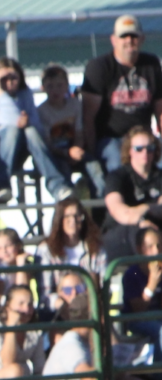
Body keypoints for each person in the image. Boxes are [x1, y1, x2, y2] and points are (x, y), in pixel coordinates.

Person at [0, 57, 73, 205]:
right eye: (3, 79)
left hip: (15, 154)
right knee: (12, 130)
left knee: (30, 131)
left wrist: (27, 122)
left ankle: (57, 186)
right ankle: (0, 187)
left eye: (14, 78)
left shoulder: (25, 95)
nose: (9, 82)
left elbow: (37, 126)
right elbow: (10, 121)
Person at [82, 15, 162, 177]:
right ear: (113, 40)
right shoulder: (99, 67)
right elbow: (88, 117)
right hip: (110, 138)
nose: (129, 40)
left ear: (142, 39)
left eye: (134, 36)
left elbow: (160, 110)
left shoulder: (151, 64)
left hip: (143, 138)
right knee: (117, 166)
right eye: (124, 36)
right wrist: (91, 152)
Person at [38, 64, 104, 197]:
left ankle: (101, 200)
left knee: (95, 168)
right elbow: (47, 142)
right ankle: (69, 201)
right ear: (43, 88)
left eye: (59, 85)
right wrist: (66, 153)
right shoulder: (41, 111)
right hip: (57, 154)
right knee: (63, 171)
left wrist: (77, 148)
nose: (55, 90)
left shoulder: (75, 105)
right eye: (50, 86)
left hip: (75, 149)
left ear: (67, 86)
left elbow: (80, 131)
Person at [101, 126, 162, 260]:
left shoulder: (159, 176)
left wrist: (144, 208)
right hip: (122, 234)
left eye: (150, 148)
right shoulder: (117, 177)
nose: (145, 153)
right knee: (141, 233)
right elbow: (118, 210)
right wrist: (141, 219)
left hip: (156, 232)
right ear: (129, 151)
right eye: (139, 149)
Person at [36, 197, 107, 310]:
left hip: (89, 308)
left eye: (77, 216)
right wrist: (64, 305)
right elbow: (45, 294)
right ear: (59, 219)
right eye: (67, 216)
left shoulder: (96, 248)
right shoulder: (46, 250)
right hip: (58, 311)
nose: (72, 220)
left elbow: (104, 287)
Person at [121, 226, 162, 365]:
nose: (156, 251)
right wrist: (152, 284)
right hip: (137, 320)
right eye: (150, 247)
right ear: (139, 249)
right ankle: (158, 373)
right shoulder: (132, 274)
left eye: (159, 246)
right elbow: (138, 309)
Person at [0, 227, 31, 299]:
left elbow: (23, 293)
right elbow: (20, 294)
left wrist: (21, 263)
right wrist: (21, 266)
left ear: (18, 245)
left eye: (8, 246)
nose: (4, 251)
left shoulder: (24, 263)